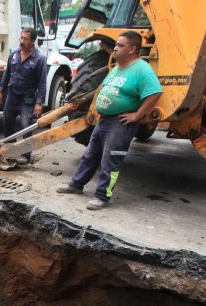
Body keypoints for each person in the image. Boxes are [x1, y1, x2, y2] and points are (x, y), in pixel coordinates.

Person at [56, 31, 162, 210]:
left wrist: (137, 115)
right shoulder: (117, 68)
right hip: (104, 119)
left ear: (132, 49)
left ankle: (101, 196)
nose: (115, 47)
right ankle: (76, 184)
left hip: (120, 123)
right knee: (91, 154)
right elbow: (104, 88)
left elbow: (155, 93)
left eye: (120, 45)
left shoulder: (142, 69)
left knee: (110, 160)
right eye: (116, 44)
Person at [0, 28, 48, 166]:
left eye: (25, 39)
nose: (22, 41)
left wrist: (39, 103)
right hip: (12, 95)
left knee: (26, 125)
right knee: (7, 121)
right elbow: (7, 74)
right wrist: (1, 91)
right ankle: (10, 151)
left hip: (28, 97)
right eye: (21, 38)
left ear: (32, 41)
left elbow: (42, 83)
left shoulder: (40, 58)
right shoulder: (13, 54)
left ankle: (26, 155)